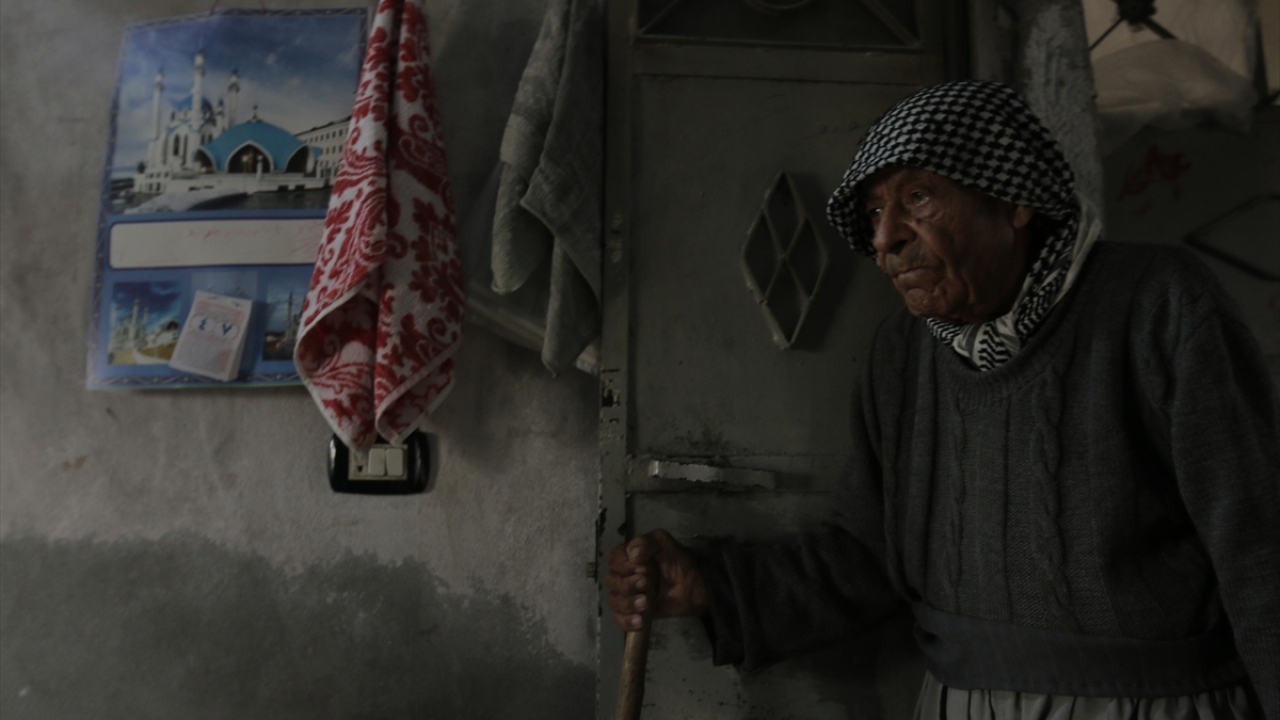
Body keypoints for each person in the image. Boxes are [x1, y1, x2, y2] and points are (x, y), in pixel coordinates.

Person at [604, 81, 1279, 719]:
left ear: (1013, 200)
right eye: (875, 213)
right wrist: (710, 584)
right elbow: (869, 557)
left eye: (919, 197)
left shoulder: (1159, 304)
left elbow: (1258, 551)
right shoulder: (903, 354)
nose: (884, 238)